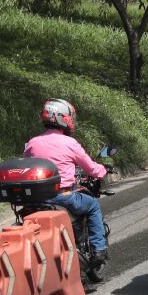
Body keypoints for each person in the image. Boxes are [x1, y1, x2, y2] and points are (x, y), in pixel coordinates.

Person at [22, 98, 110, 282]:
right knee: (92, 205)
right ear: (64, 118)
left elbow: (27, 164)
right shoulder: (69, 143)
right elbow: (91, 168)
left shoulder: (32, 143)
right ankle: (98, 250)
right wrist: (102, 170)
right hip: (62, 197)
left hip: (36, 200)